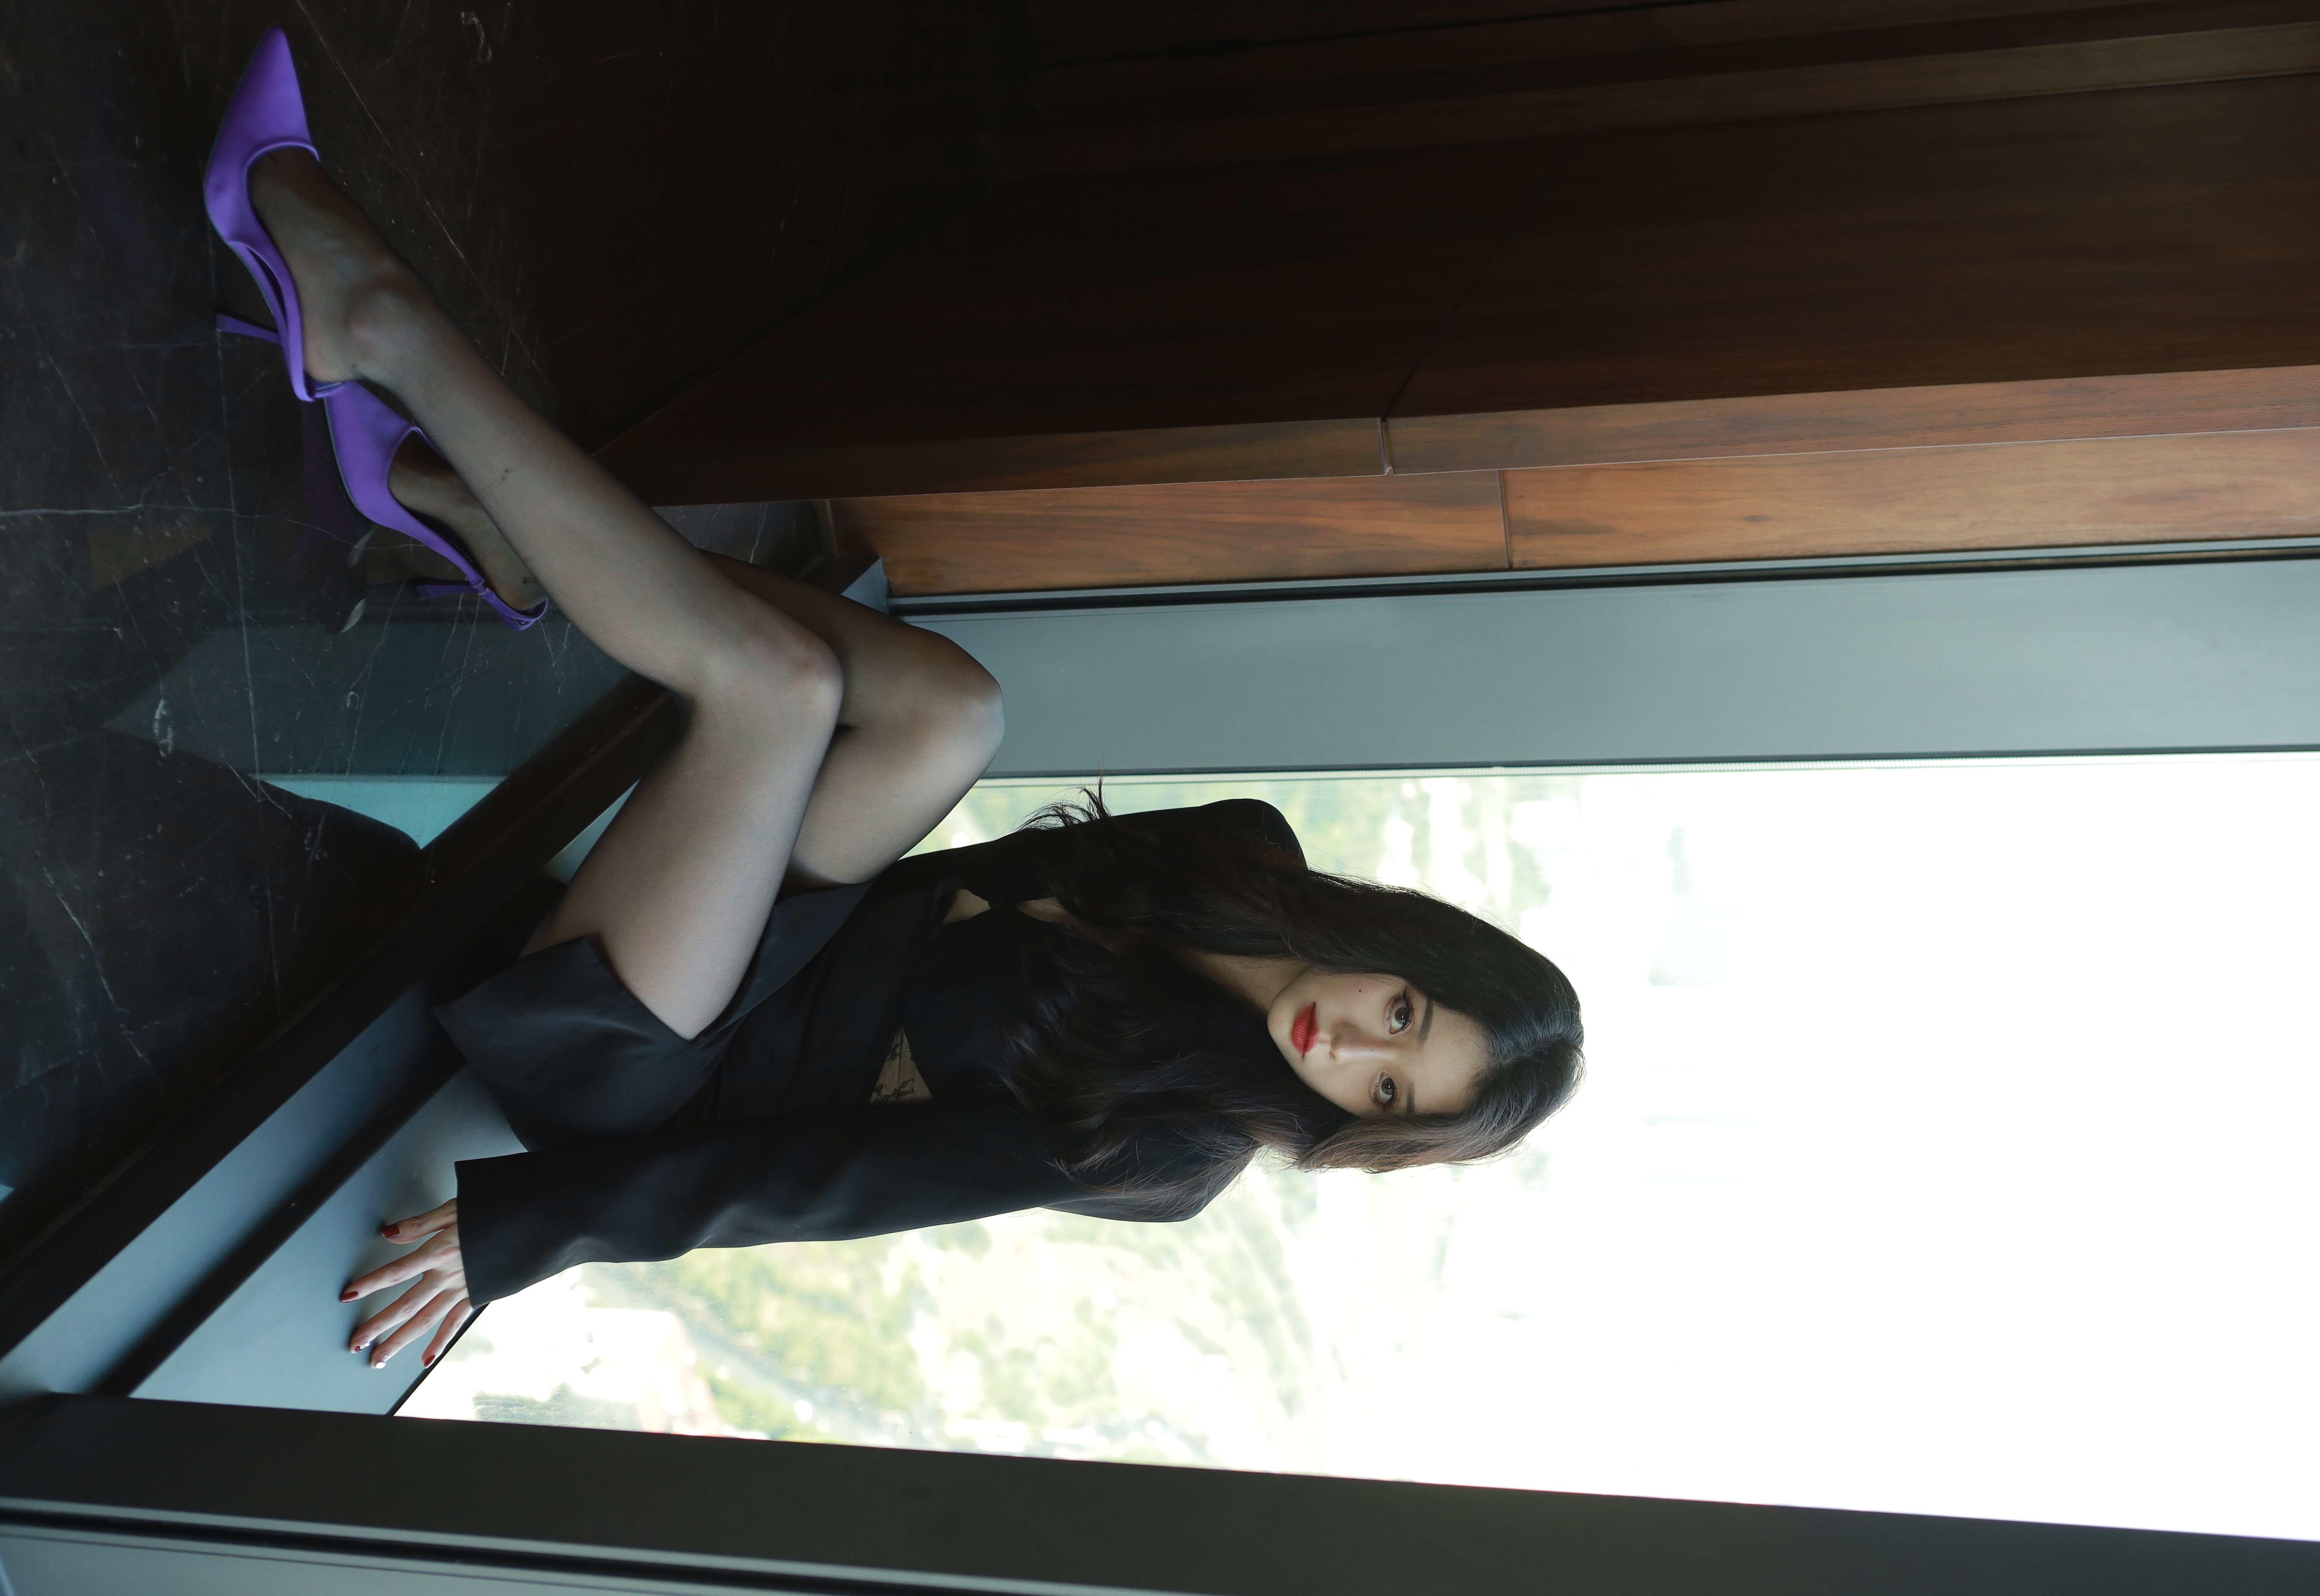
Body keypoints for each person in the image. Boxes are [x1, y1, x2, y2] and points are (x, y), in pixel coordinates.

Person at [205, 31, 1585, 1376]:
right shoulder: (1240, 852)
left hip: (652, 1074)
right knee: (952, 710)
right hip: (781, 947)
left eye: (1385, 1093)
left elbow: (825, 1185)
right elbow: (915, 891)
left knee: (780, 687)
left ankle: (378, 324)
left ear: (1362, 1130)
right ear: (1405, 947)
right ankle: (517, 534)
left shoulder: (1171, 1152)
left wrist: (524, 1236)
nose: (1352, 1049)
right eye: (1404, 1014)